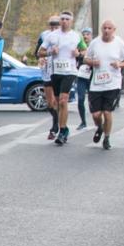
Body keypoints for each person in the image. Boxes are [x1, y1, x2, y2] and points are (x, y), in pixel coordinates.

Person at [83, 19, 124, 150]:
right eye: (104, 28)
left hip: (113, 83)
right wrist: (93, 62)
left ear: (114, 30)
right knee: (96, 115)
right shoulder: (94, 43)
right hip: (96, 84)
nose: (106, 30)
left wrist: (119, 64)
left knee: (107, 112)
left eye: (109, 28)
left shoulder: (119, 43)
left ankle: (107, 138)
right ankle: (99, 127)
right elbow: (85, 58)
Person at [39, 10, 87, 145]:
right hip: (55, 72)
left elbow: (85, 50)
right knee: (57, 101)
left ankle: (62, 131)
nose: (64, 21)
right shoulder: (52, 36)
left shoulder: (76, 36)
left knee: (63, 100)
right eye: (62, 19)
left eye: (67, 19)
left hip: (70, 71)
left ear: (71, 21)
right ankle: (64, 128)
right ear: (60, 21)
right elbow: (40, 52)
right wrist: (50, 52)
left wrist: (78, 53)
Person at [36, 16, 60, 139]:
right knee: (50, 103)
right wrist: (41, 58)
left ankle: (56, 127)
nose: (54, 28)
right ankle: (57, 123)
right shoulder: (44, 35)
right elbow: (37, 52)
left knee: (59, 101)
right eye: (52, 25)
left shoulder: (65, 36)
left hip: (61, 72)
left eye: (56, 25)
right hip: (47, 71)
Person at [74, 27, 93, 130]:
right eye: (84, 34)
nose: (85, 36)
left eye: (88, 34)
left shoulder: (95, 45)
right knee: (80, 99)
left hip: (92, 76)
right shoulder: (78, 46)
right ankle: (83, 122)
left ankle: (97, 119)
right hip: (81, 76)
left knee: (93, 100)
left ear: (91, 35)